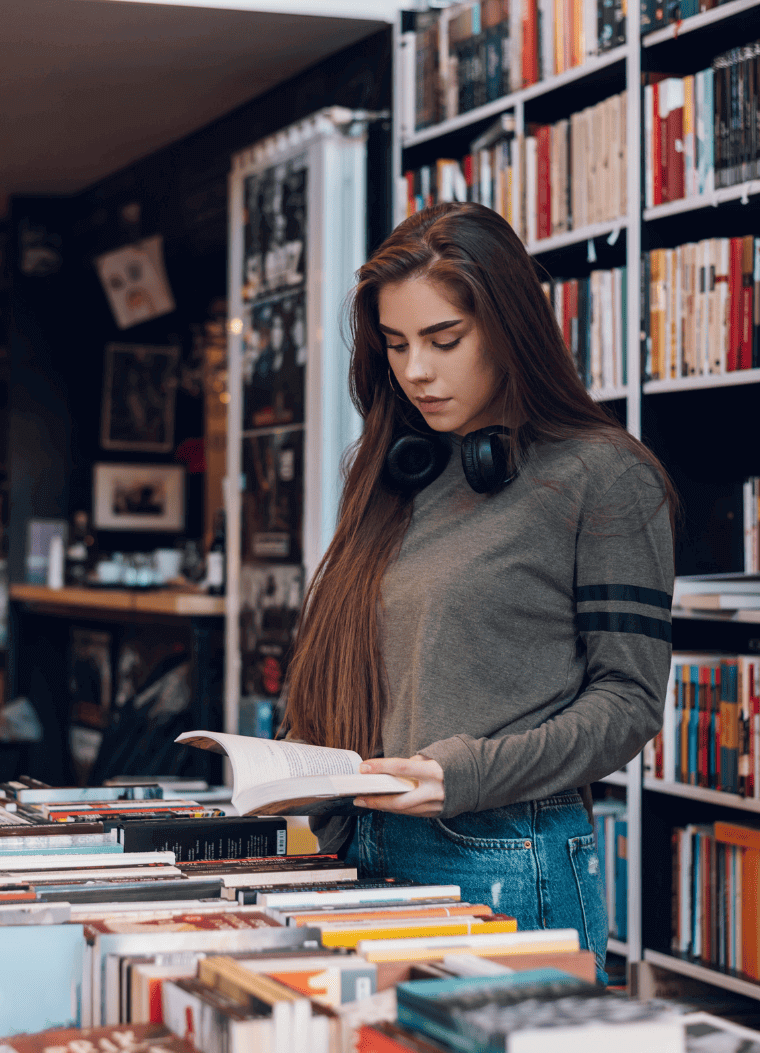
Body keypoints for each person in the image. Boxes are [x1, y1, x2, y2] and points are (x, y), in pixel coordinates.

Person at [281, 202, 675, 981]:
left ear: (509, 328)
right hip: (363, 846)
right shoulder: (398, 473)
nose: (416, 371)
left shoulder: (603, 476)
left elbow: (628, 703)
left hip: (503, 854)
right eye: (395, 345)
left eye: (444, 340)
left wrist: (465, 772)